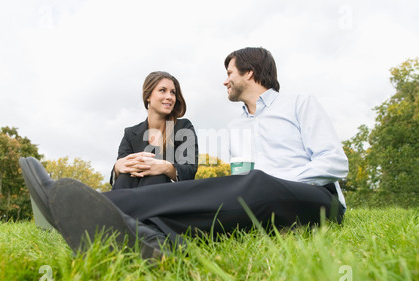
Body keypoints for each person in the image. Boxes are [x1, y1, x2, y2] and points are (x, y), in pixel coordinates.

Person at [20, 47, 348, 260]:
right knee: (218, 199)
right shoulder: (237, 127)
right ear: (148, 96)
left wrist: (275, 183)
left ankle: (79, 204)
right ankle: (155, 243)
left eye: (230, 73)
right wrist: (121, 166)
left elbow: (334, 163)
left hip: (316, 197)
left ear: (249, 73)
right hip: (265, 198)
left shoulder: (299, 104)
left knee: (255, 183)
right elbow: (240, 180)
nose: (225, 81)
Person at [110, 71, 198, 190]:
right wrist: (117, 167)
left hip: (168, 196)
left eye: (173, 92)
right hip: (130, 196)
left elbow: (189, 171)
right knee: (126, 175)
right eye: (162, 90)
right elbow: (124, 173)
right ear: (148, 96)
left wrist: (164, 167)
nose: (169, 97)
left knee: (157, 176)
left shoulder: (183, 127)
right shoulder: (130, 133)